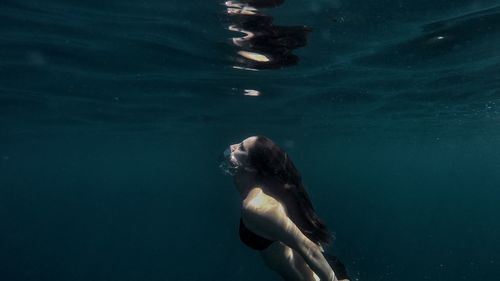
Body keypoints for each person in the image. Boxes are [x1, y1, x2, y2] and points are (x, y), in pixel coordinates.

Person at [220, 136, 350, 281]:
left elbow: (310, 250)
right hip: (319, 265)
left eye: (241, 148)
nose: (232, 146)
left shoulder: (256, 207)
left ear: (252, 167)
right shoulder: (262, 185)